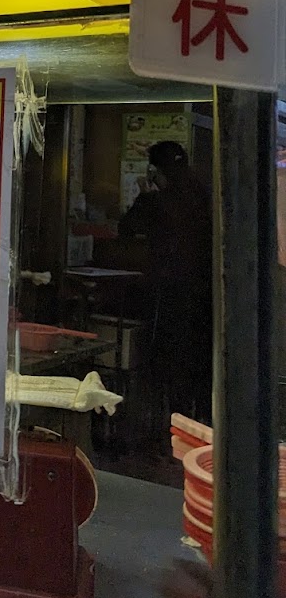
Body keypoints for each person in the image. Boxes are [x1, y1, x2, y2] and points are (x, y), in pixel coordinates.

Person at [119, 140, 212, 424]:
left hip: (168, 293)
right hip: (204, 295)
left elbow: (126, 229)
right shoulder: (203, 194)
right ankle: (201, 423)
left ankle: (170, 424)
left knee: (168, 362)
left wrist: (144, 195)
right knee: (198, 363)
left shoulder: (157, 201)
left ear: (156, 171)